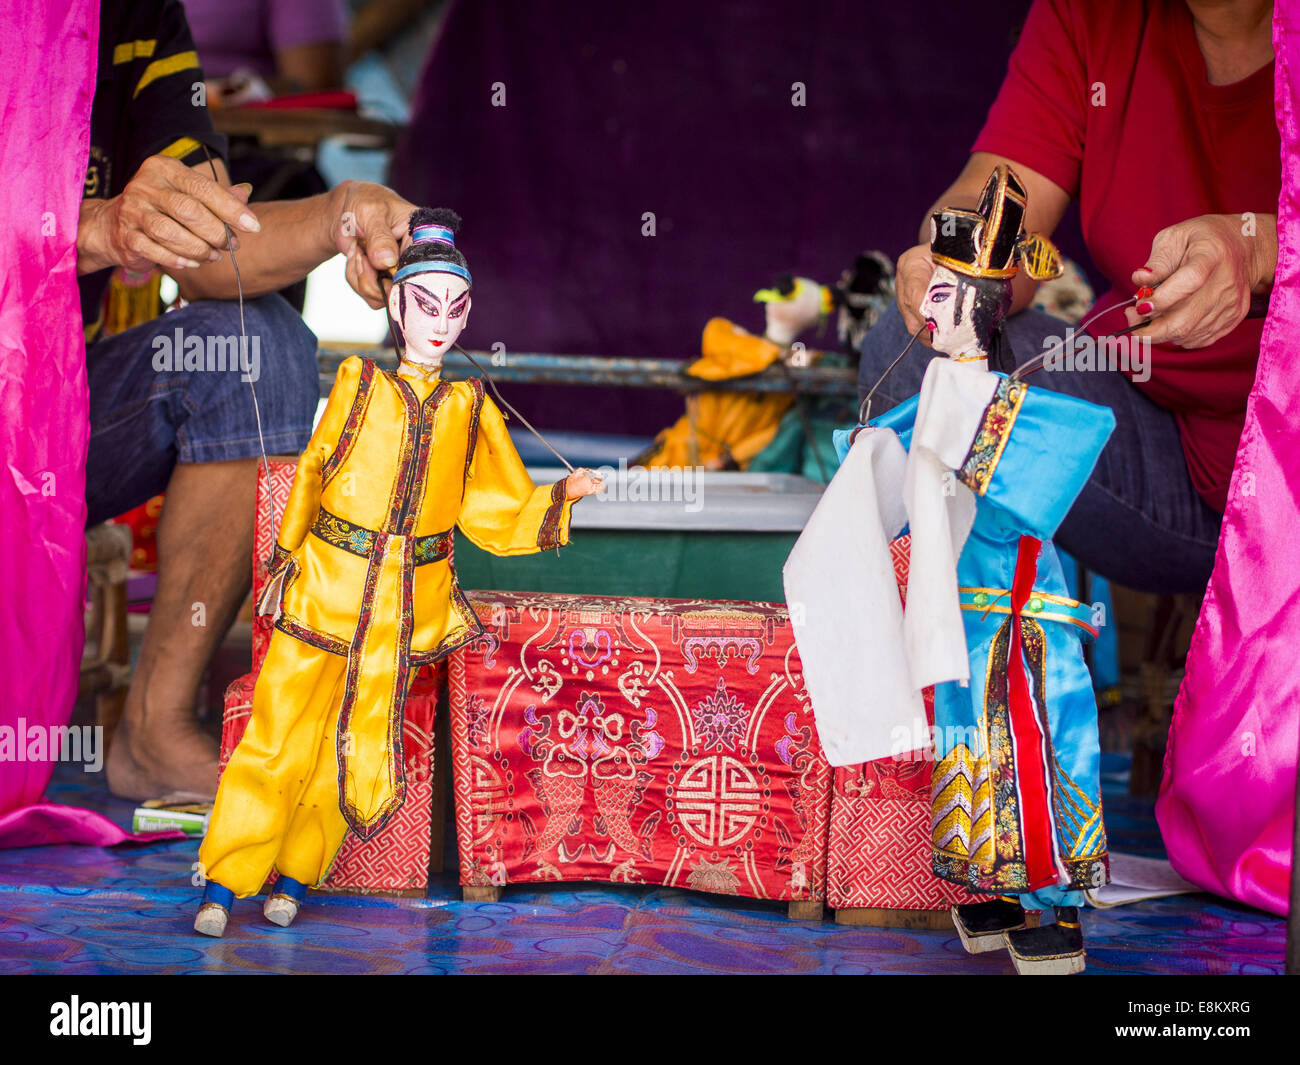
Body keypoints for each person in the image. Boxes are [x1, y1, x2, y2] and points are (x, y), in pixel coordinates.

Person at [193, 209, 602, 936]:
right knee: (278, 726)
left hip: (402, 605)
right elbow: (315, 471)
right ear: (396, 305)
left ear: (468, 312)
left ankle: (295, 871)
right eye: (424, 305)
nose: (439, 322)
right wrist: (285, 561)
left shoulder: (471, 408)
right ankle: (226, 876)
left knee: (347, 740)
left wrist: (558, 497)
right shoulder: (359, 384)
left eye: (454, 308)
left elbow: (492, 503)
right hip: (326, 584)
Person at [80, 0, 419, 801]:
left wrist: (345, 214)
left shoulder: (134, 17)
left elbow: (204, 250)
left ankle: (155, 731)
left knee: (252, 347)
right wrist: (94, 225)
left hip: (56, 414)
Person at [859, 0, 1279, 595]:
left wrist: (1261, 247)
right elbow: (1002, 195)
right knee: (925, 352)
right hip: (1168, 453)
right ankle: (952, 673)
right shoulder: (1093, 14)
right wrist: (962, 261)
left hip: (1283, 467)